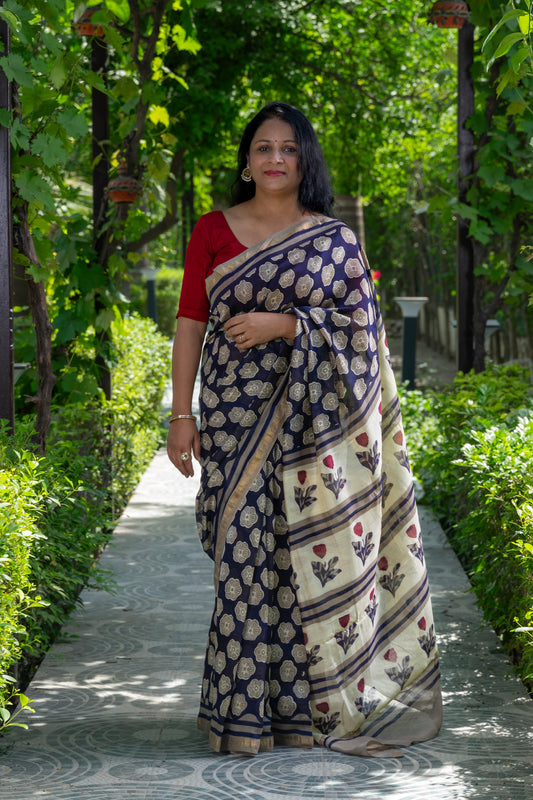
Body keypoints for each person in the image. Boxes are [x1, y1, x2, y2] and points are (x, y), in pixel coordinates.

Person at [167, 101, 442, 757]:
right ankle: (240, 716)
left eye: (288, 148)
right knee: (242, 554)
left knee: (302, 558)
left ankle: (300, 714)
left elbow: (360, 331)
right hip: (233, 416)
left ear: (304, 159)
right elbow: (190, 322)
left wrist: (287, 325)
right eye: (263, 147)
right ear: (247, 159)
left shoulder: (334, 239)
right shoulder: (212, 229)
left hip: (315, 428)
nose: (275, 159)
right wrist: (181, 415)